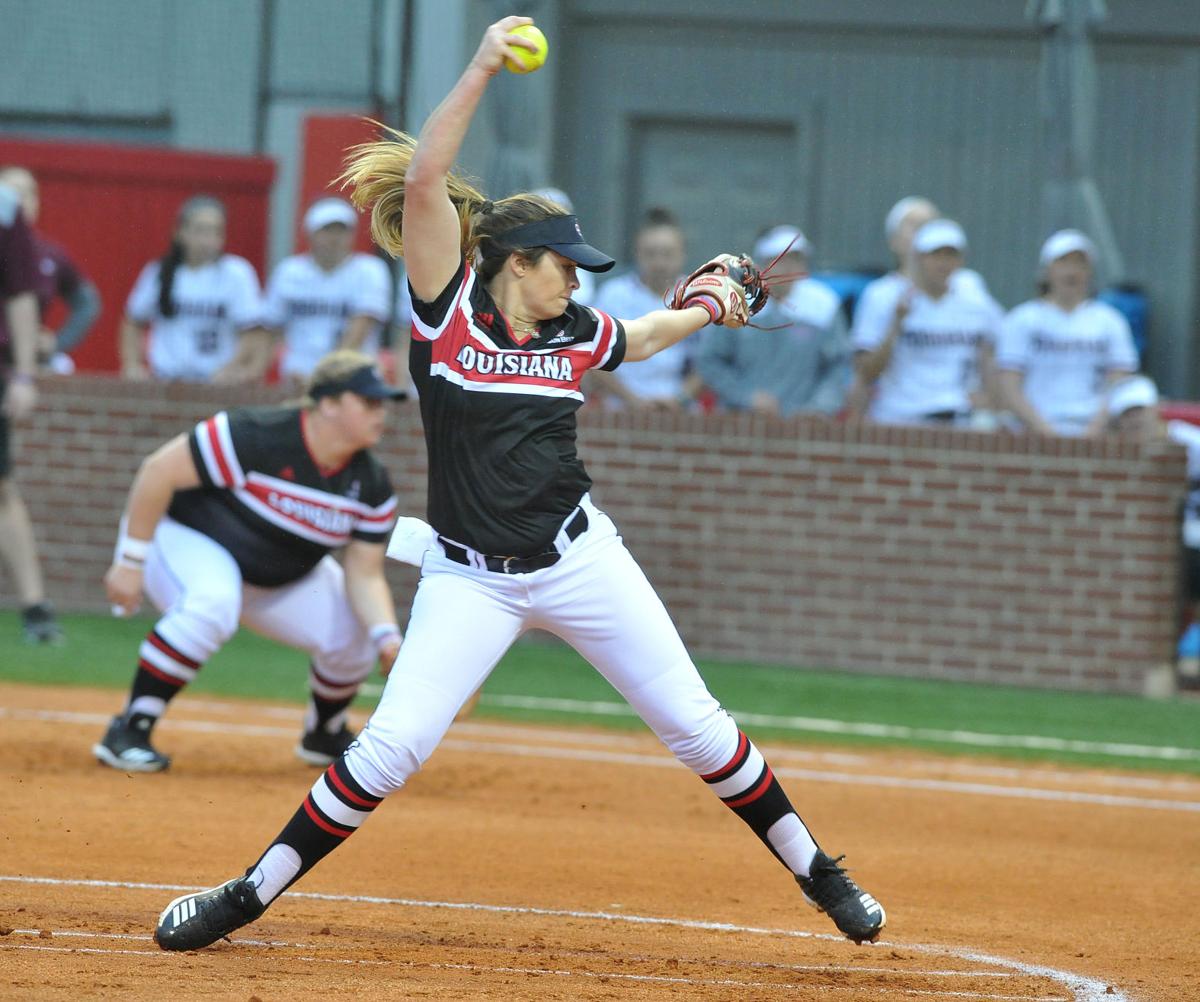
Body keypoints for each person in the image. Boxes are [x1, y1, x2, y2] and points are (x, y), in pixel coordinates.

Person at [150, 15, 885, 953]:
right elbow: (425, 181)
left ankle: (823, 875)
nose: (576, 282)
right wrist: (484, 63)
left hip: (581, 561)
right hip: (470, 580)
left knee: (700, 731)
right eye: (563, 265)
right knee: (388, 751)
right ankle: (246, 895)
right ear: (515, 262)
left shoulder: (576, 330)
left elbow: (641, 336)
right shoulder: (446, 314)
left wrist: (705, 308)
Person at [94, 349, 405, 773]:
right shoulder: (256, 435)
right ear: (328, 403)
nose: (380, 413)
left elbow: (364, 574)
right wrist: (131, 560)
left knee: (357, 629)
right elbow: (157, 471)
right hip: (185, 538)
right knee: (212, 604)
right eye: (368, 402)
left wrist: (387, 638)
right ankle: (129, 729)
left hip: (277, 575)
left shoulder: (371, 484)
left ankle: (324, 734)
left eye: (382, 403)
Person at [848, 196, 990, 418]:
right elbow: (864, 372)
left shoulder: (970, 286)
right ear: (894, 240)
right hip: (900, 418)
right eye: (914, 225)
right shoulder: (881, 293)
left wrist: (988, 397)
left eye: (931, 223)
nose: (925, 230)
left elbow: (992, 348)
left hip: (957, 416)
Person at [1106, 375, 1200, 688]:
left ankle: (1189, 652)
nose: (1135, 420)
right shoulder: (1121, 454)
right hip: (1159, 545)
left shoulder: (1192, 441)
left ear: (1156, 409)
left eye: (1139, 410)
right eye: (1127, 414)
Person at [237, 197, 392, 385]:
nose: (335, 238)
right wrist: (255, 373)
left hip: (353, 380)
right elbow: (270, 329)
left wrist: (321, 379)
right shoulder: (289, 271)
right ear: (310, 234)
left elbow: (358, 332)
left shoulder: (370, 270)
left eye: (342, 231)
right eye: (327, 230)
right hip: (295, 378)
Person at [0, 176, 63, 643]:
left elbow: (21, 292)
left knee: (1, 489)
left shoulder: (4, 207)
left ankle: (35, 607)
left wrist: (24, 374)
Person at [698, 225, 850, 416]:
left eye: (795, 260)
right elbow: (710, 361)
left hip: (803, 426)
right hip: (741, 421)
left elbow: (838, 367)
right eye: (778, 260)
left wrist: (818, 408)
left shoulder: (824, 306)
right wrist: (746, 397)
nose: (787, 268)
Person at [998, 230, 1137, 436]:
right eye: (1063, 263)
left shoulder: (1110, 321)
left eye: (1079, 264)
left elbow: (1120, 380)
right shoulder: (1022, 319)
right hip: (1033, 430)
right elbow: (1009, 383)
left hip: (1092, 430)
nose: (1071, 272)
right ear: (1047, 269)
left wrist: (1092, 431)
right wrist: (1045, 431)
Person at [120, 196, 262, 383]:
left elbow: (252, 331)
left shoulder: (236, 273)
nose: (207, 240)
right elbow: (133, 320)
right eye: (200, 230)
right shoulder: (160, 272)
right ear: (180, 232)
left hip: (215, 382)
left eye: (215, 232)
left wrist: (232, 368)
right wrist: (132, 365)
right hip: (166, 379)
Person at [590, 207, 702, 409]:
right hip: (621, 410)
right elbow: (593, 354)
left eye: (668, 254)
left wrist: (680, 399)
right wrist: (632, 400)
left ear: (683, 254)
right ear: (637, 253)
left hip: (683, 412)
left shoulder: (698, 296)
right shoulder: (613, 295)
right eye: (650, 254)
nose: (659, 263)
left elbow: (713, 360)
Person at [0, 166, 101, 374]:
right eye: (10, 193)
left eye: (26, 193)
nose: (18, 201)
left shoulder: (50, 255)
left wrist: (57, 342)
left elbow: (87, 304)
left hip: (25, 362)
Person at [531, 187, 595, 304]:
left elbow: (581, 301)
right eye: (547, 216)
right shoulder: (519, 252)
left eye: (562, 215)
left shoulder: (579, 256)